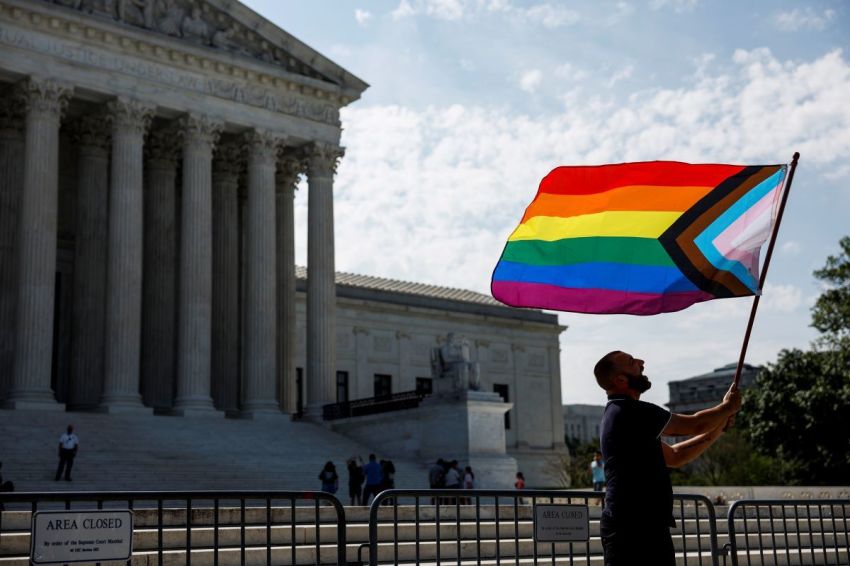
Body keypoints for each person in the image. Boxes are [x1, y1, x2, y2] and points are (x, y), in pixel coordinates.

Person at [594, 350, 741, 566]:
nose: (641, 362)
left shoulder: (618, 413)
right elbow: (695, 424)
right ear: (621, 380)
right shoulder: (632, 411)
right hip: (634, 526)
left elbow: (675, 456)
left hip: (639, 524)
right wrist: (727, 407)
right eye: (632, 362)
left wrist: (718, 429)